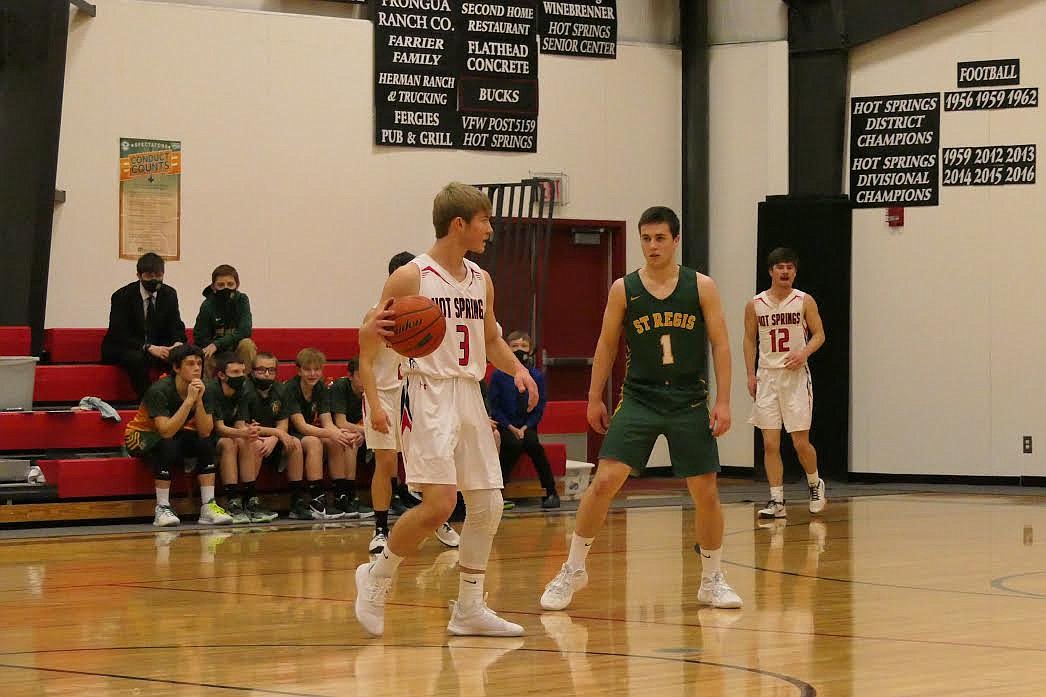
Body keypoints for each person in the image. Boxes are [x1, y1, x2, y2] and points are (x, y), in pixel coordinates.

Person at [354, 182, 538, 637]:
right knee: (439, 505)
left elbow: (491, 338)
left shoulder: (481, 279)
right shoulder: (411, 277)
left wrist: (518, 370)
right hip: (427, 391)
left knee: (489, 504)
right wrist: (375, 396)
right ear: (460, 223)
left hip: (469, 393)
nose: (490, 230)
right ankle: (376, 578)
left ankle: (470, 608)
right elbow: (371, 339)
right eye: (485, 221)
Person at [539, 206, 743, 611]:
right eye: (646, 238)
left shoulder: (701, 287)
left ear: (675, 240)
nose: (652, 246)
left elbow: (720, 343)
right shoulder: (624, 289)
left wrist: (723, 400)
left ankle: (712, 577)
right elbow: (606, 344)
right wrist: (594, 396)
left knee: (705, 491)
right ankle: (574, 568)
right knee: (604, 480)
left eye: (660, 238)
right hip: (640, 396)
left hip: (687, 397)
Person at [354, 252, 460, 557]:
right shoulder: (375, 316)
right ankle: (379, 529)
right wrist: (374, 406)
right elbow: (366, 363)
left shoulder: (428, 312)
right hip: (384, 395)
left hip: (416, 394)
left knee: (429, 464)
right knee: (386, 462)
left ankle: (435, 517)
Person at [744, 247, 826, 519]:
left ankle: (815, 484)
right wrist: (750, 374)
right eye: (780, 267)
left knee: (800, 442)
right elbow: (749, 340)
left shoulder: (804, 300)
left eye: (790, 267)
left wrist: (803, 352)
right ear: (771, 271)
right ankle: (777, 500)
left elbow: (819, 335)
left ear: (795, 272)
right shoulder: (755, 304)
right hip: (767, 377)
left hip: (795, 378)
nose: (785, 271)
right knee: (769, 444)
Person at [123, 344, 233, 527]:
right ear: (176, 367)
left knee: (205, 443)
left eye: (199, 363)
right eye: (190, 363)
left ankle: (208, 506)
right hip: (141, 435)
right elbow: (165, 430)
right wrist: (189, 400)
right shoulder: (159, 389)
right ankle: (162, 507)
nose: (197, 368)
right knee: (167, 443)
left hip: (174, 433)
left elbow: (205, 431)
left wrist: (197, 401)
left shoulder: (202, 388)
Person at [489, 330, 559, 510]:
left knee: (534, 446)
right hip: (506, 425)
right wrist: (510, 427)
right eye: (514, 346)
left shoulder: (536, 376)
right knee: (512, 445)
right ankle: (498, 491)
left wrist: (526, 427)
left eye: (523, 346)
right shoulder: (498, 376)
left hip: (527, 426)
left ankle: (551, 491)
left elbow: (539, 406)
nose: (519, 350)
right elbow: (495, 407)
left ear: (530, 350)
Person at [285, 347, 358, 520]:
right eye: (307, 369)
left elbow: (327, 422)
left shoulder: (321, 387)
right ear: (299, 370)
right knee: (314, 442)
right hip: (290, 434)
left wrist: (341, 434)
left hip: (309, 432)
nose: (312, 373)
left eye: (316, 369)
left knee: (337, 441)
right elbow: (301, 426)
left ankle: (341, 496)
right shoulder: (291, 388)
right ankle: (314, 499)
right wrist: (331, 433)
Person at [102, 252, 187, 399]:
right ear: (139, 275)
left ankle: (178, 400)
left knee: (184, 354)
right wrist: (148, 347)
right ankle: (148, 402)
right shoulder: (122, 296)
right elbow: (120, 334)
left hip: (158, 346)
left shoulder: (169, 294)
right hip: (126, 347)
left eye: (158, 275)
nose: (154, 280)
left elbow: (176, 325)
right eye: (149, 276)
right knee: (138, 358)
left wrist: (177, 344)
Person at [209, 352, 277, 524]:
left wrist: (250, 432)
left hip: (232, 432)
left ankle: (250, 500)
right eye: (235, 372)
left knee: (248, 441)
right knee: (229, 443)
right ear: (221, 375)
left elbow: (240, 423)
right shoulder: (212, 390)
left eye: (242, 372)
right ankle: (232, 501)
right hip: (207, 436)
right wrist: (244, 433)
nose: (241, 376)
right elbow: (219, 427)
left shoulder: (244, 389)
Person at [243, 351, 302, 521]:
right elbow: (245, 425)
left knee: (295, 443)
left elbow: (283, 423)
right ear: (252, 371)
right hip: (251, 436)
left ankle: (296, 502)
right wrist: (275, 433)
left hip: (272, 438)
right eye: (261, 370)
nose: (266, 374)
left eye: (271, 370)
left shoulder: (281, 389)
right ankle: (250, 500)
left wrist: (275, 437)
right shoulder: (245, 388)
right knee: (256, 444)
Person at [194, 264, 257, 377]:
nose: (226, 288)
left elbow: (245, 331)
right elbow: (200, 338)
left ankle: (246, 386)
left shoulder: (242, 300)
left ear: (237, 285)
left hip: (235, 351)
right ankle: (208, 391)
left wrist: (218, 344)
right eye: (221, 285)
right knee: (205, 352)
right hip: (215, 354)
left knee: (247, 344)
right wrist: (215, 347)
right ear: (213, 286)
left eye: (230, 284)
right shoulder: (207, 305)